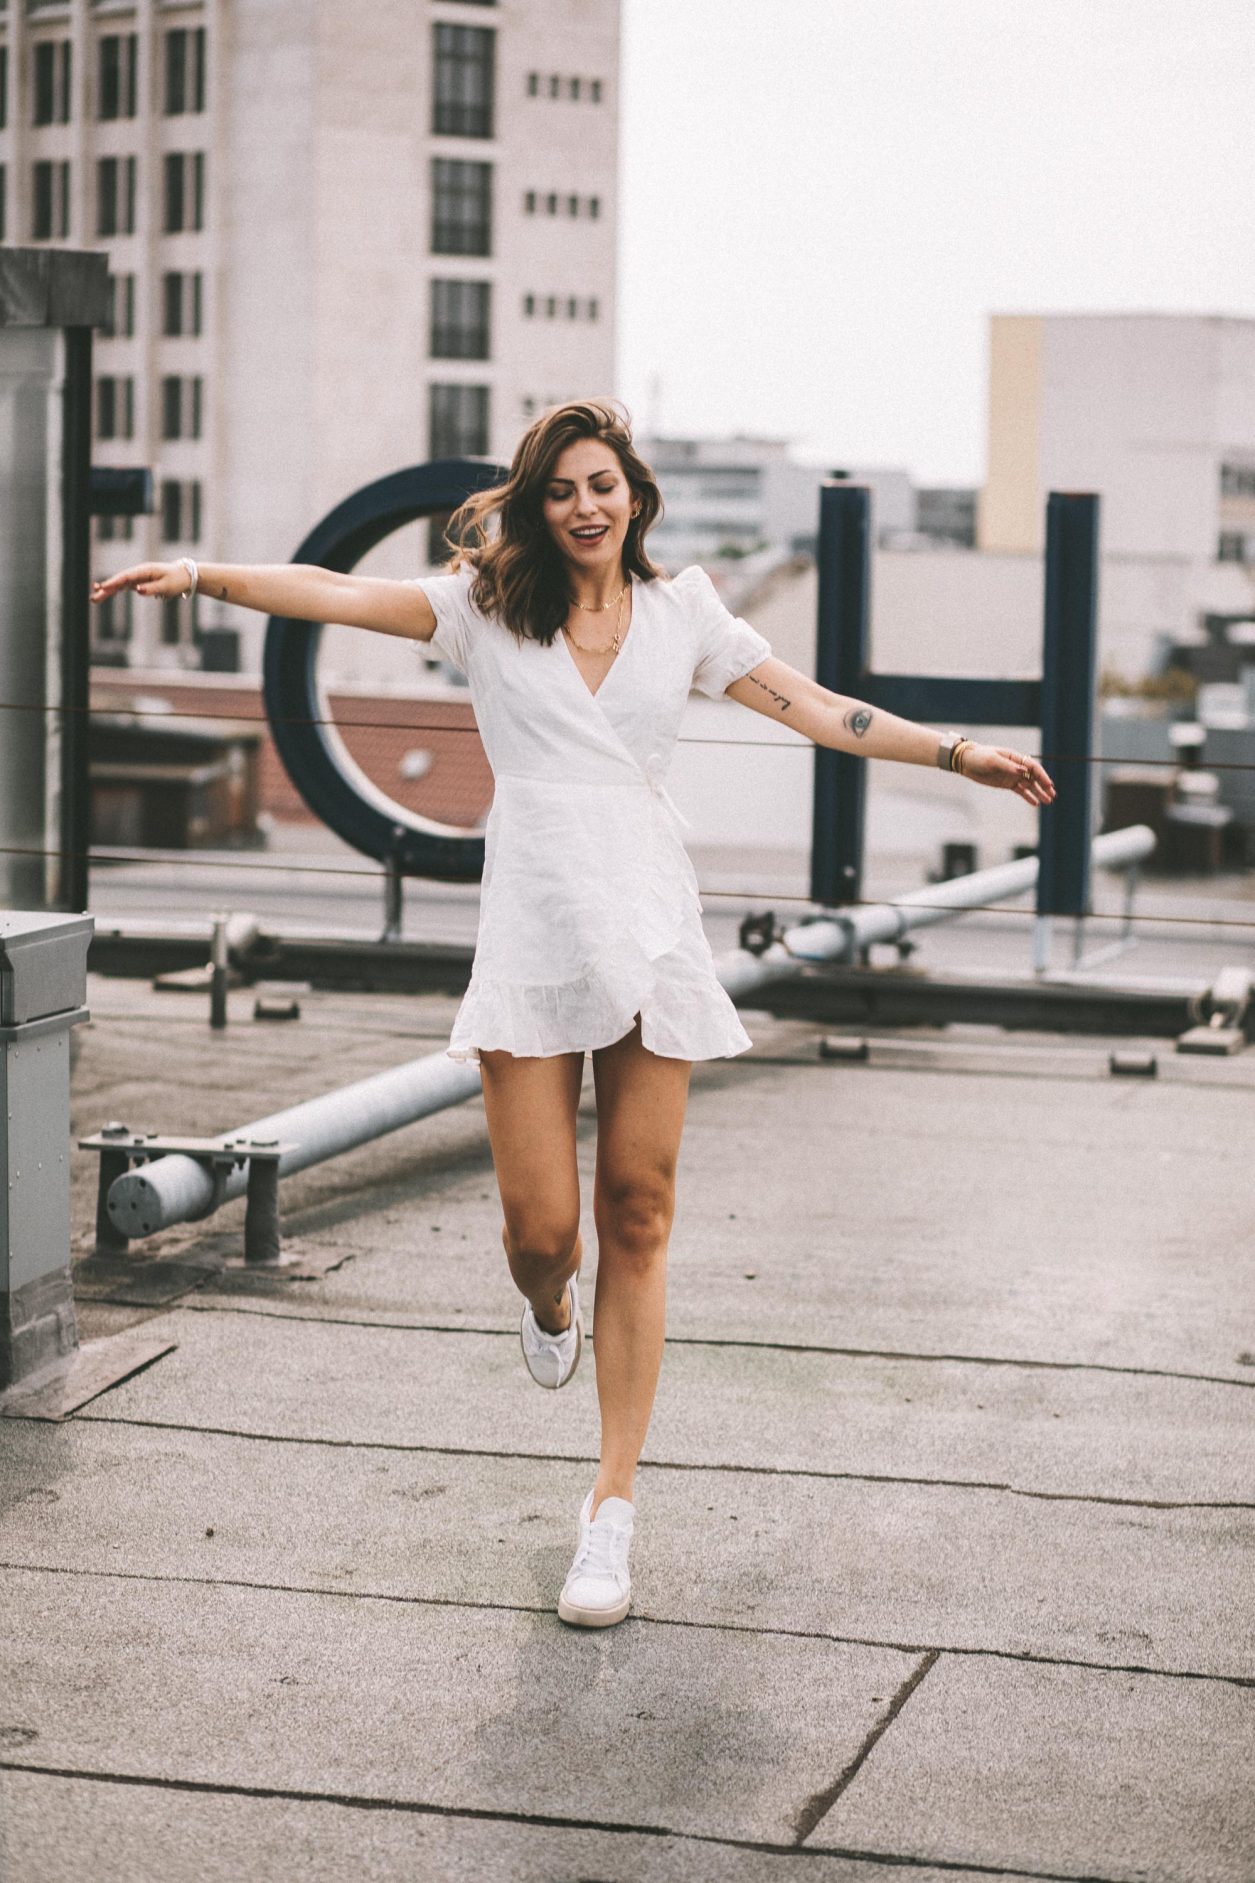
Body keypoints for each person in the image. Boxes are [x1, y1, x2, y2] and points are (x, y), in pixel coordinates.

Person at [92, 398, 1055, 1630]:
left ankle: (610, 1508)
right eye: (559, 489)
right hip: (536, 932)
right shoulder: (479, 609)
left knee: (638, 1214)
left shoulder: (683, 613)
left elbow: (819, 709)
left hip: (650, 921)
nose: (585, 505)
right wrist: (198, 575)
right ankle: (548, 1309)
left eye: (603, 483)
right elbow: (330, 594)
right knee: (542, 1232)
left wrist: (958, 753)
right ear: (535, 506)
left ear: (635, 496)